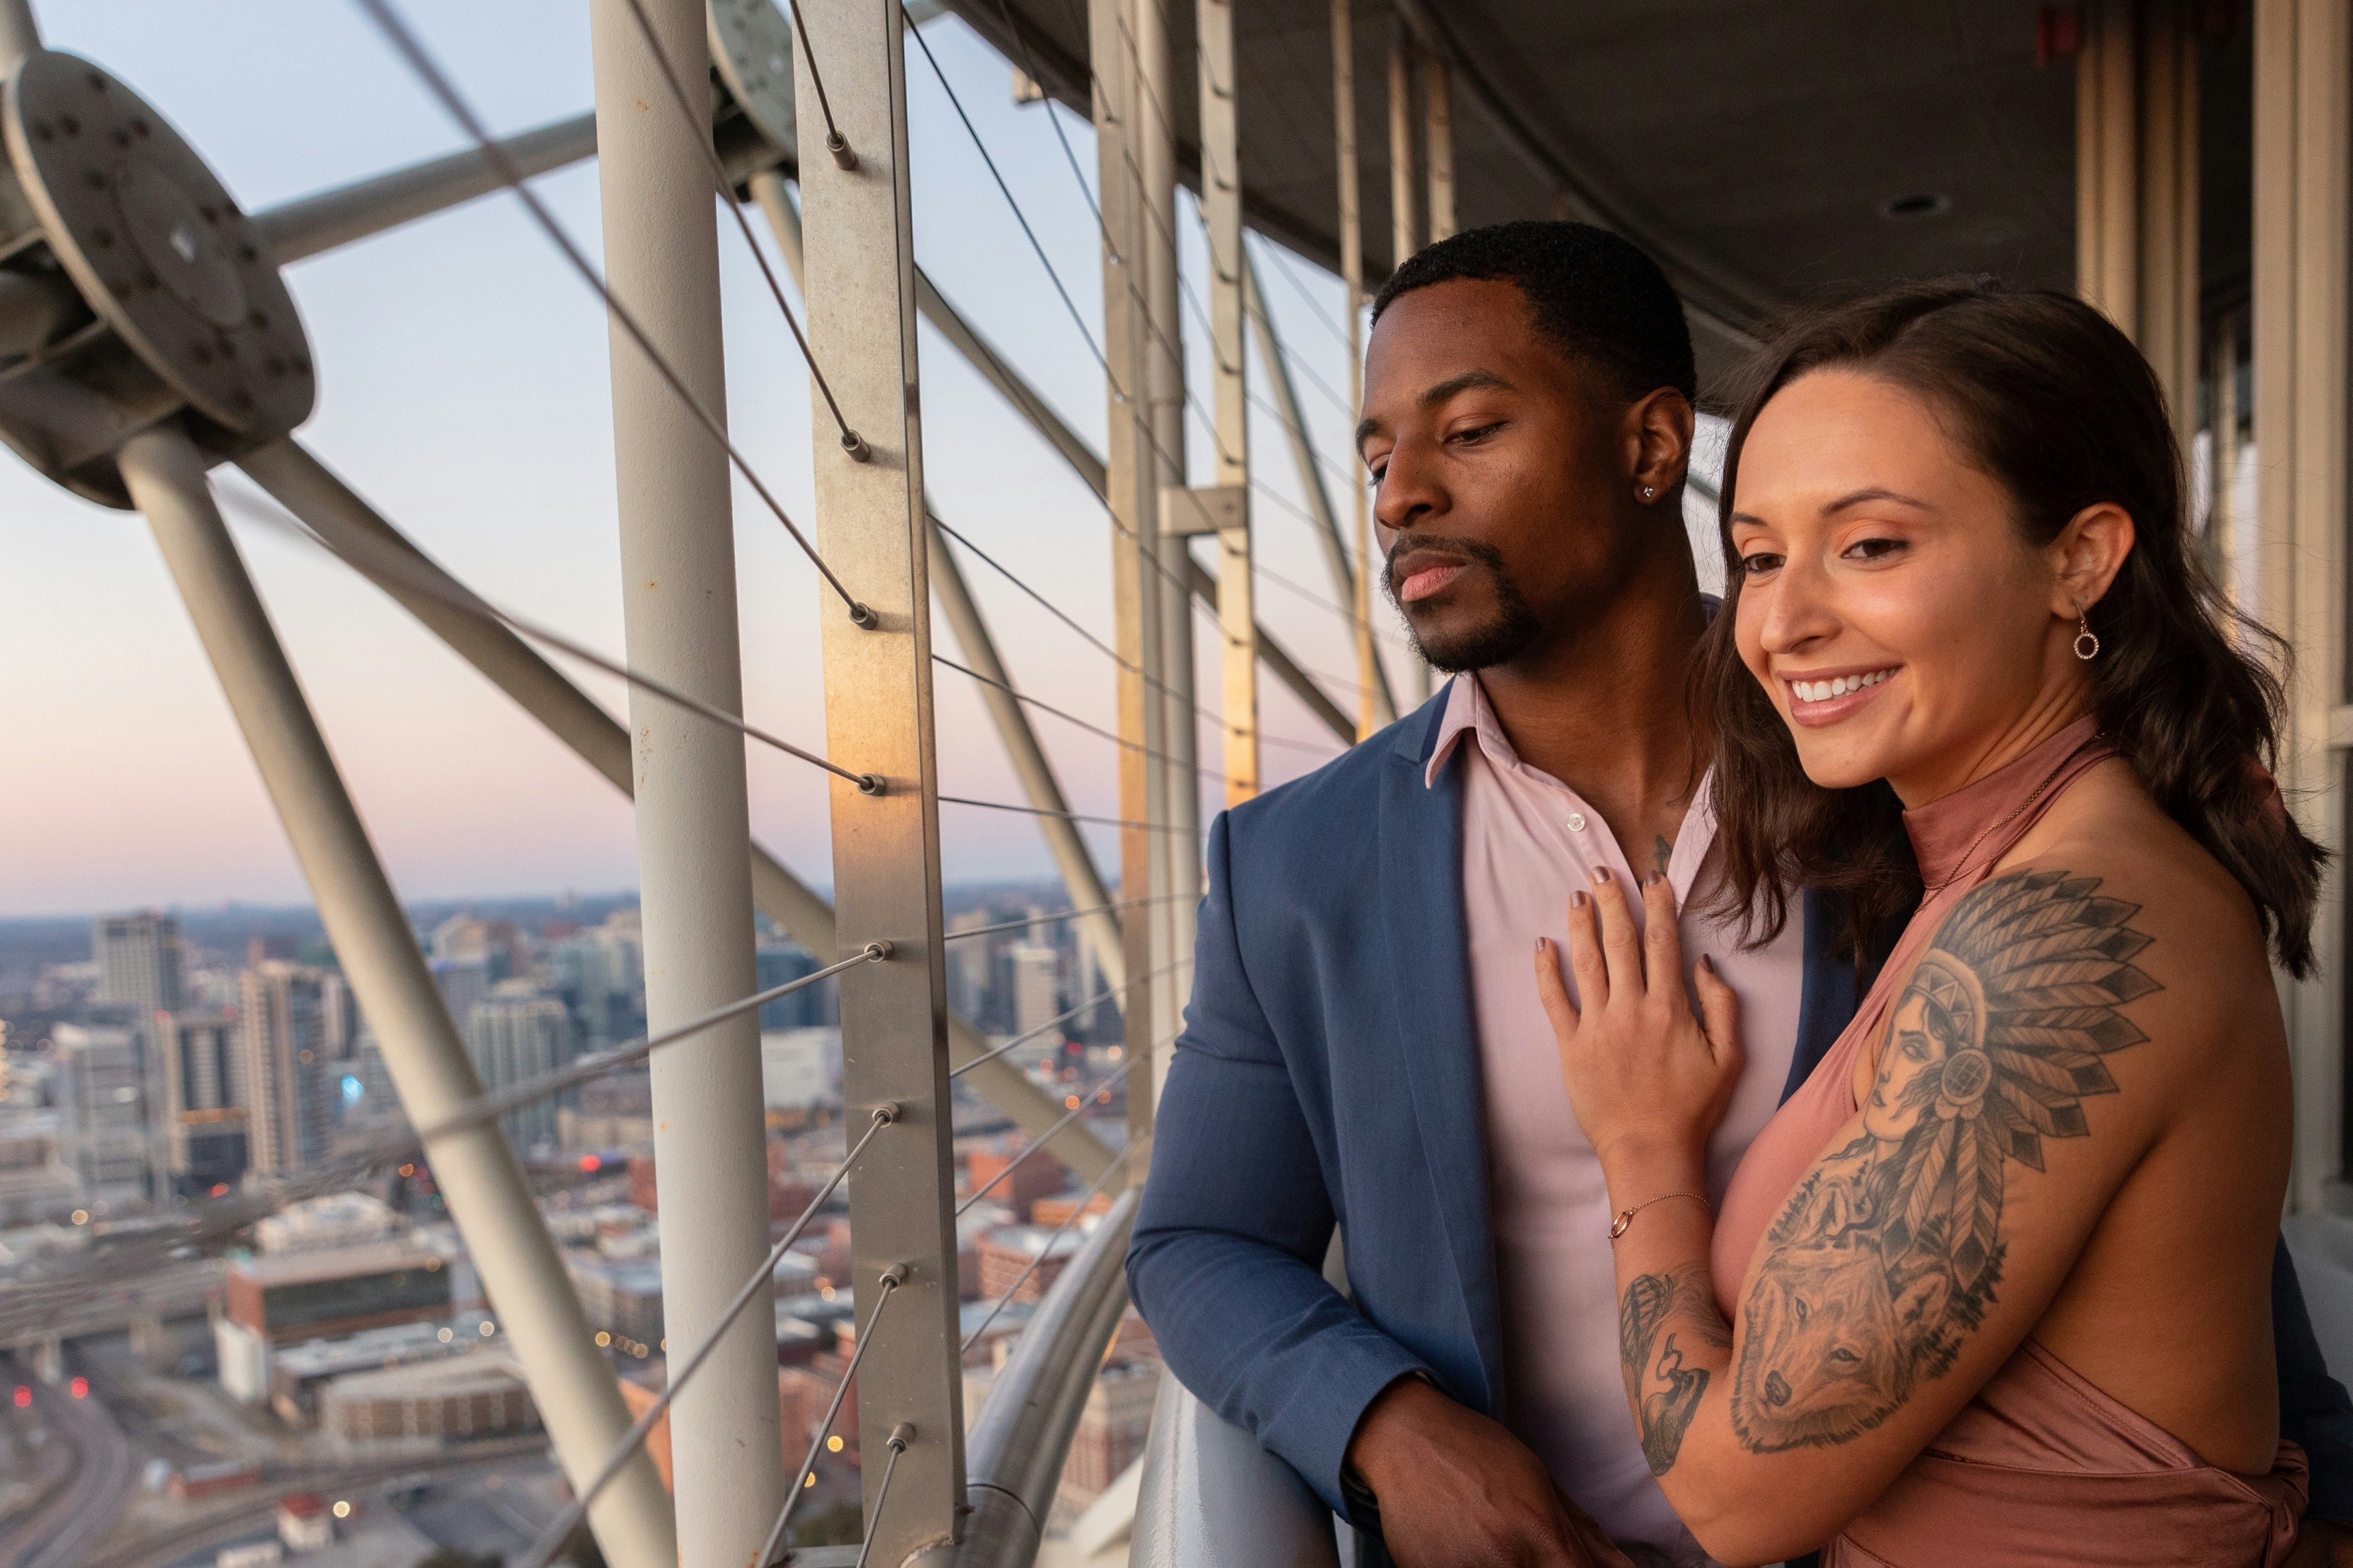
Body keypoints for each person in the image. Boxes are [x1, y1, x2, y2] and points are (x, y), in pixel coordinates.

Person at [1125, 222, 2353, 1567]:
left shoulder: (1913, 778)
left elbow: (2165, 1227)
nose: (1398, 494)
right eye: (1373, 458)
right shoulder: (1296, 866)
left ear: (1653, 450)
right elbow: (1197, 1237)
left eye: (1466, 432)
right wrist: (1386, 1427)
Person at [1538, 277, 2331, 1566]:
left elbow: (1735, 1498)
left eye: (1869, 545)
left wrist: (1641, 1151)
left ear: (2076, 561)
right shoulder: (2007, 870)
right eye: (1755, 556)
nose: (1783, 622)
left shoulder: (2056, 933)